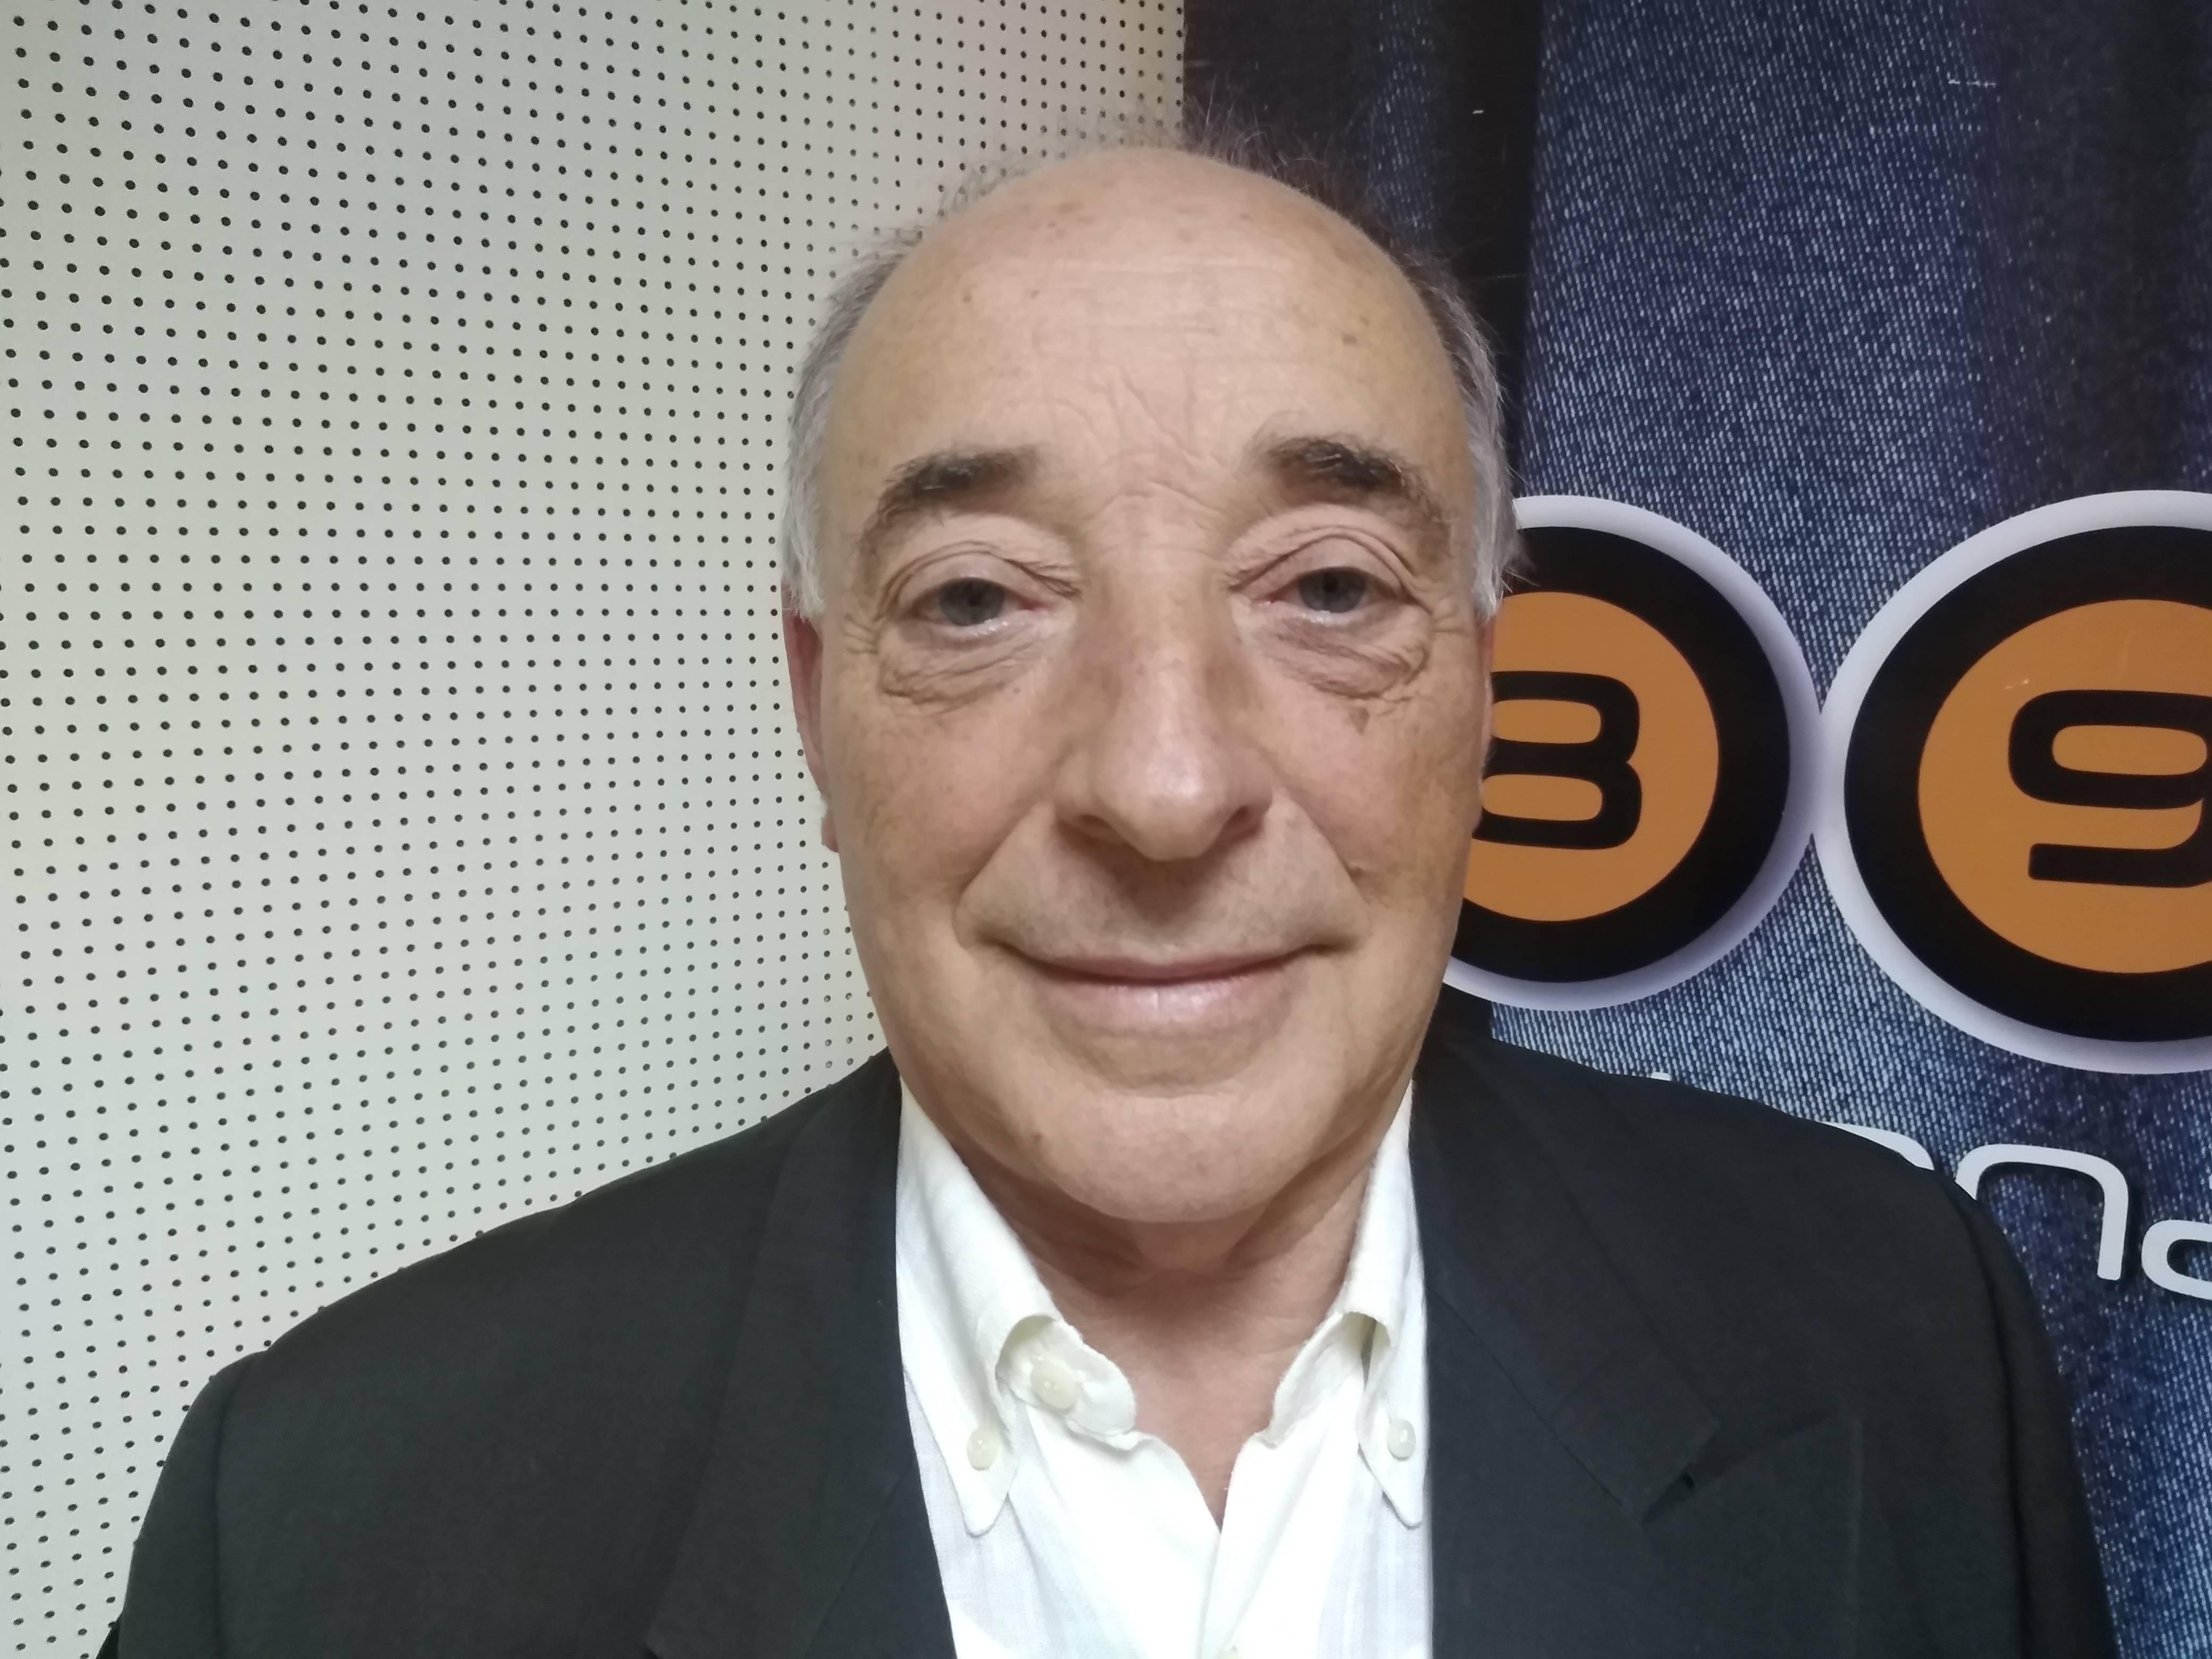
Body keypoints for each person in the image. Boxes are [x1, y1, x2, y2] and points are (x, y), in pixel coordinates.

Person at [101, 137, 2113, 1659]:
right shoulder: (320, 1528)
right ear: (820, 710)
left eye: (1331, 587)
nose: (1164, 786)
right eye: (980, 600)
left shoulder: (1901, 1334)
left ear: (1485, 698)